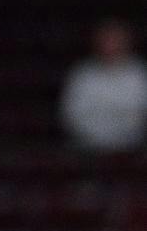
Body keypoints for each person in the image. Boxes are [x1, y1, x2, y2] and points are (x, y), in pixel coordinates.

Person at [58, 20, 147, 152]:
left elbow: (141, 112)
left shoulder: (140, 73)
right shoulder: (82, 73)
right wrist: (99, 138)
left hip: (132, 149)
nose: (111, 45)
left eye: (115, 40)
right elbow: (71, 113)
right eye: (107, 40)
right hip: (88, 148)